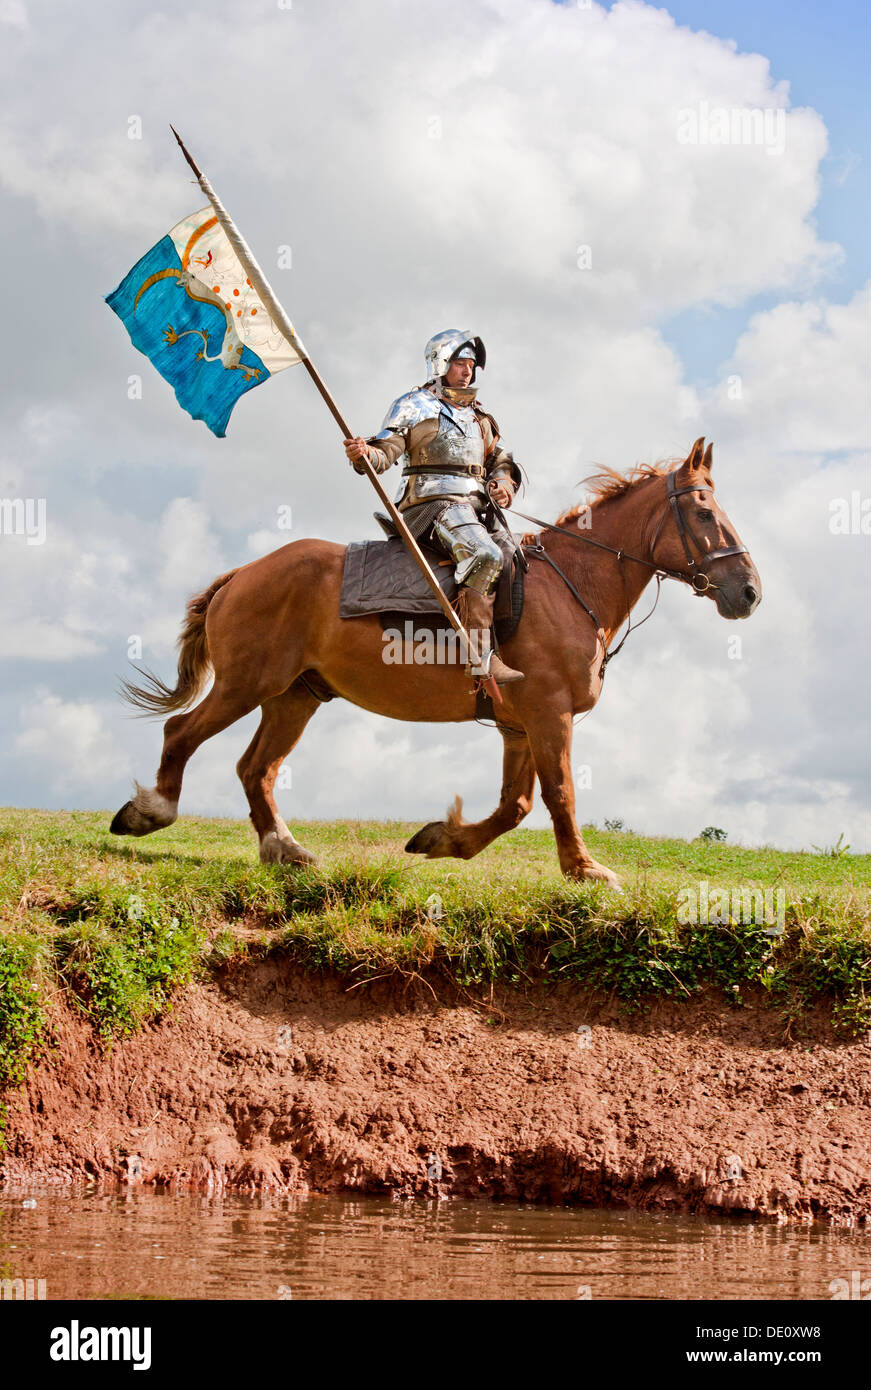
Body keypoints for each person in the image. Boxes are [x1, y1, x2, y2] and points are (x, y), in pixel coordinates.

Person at [344, 330, 524, 684]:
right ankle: (480, 656)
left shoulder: (477, 416)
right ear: (441, 365)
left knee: (517, 555)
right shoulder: (416, 406)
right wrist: (365, 455)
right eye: (460, 363)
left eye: (471, 365)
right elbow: (385, 454)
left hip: (475, 505)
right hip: (430, 502)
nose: (467, 371)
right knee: (485, 556)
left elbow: (500, 459)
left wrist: (503, 483)